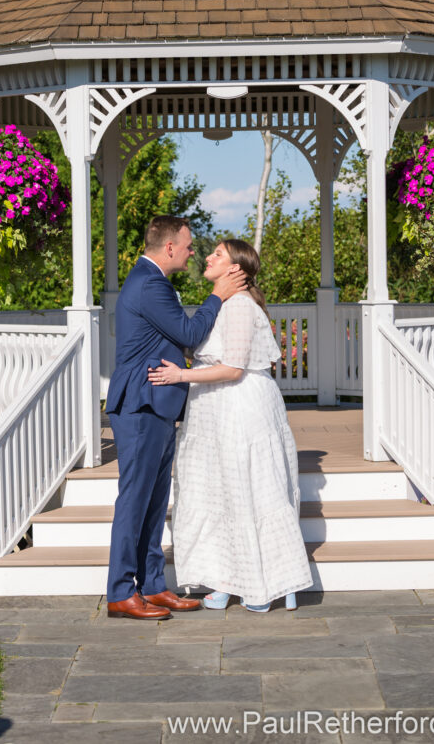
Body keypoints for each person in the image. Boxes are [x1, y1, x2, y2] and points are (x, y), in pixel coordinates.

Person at [149, 239, 313, 612]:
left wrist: (179, 375)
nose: (208, 256)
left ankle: (265, 582)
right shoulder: (224, 304)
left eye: (218, 254)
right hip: (216, 407)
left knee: (247, 491)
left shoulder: (239, 305)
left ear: (236, 268)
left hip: (238, 407)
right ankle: (225, 579)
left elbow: (235, 367)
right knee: (220, 493)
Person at [104, 216, 246, 620]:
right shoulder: (150, 283)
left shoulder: (152, 282)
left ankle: (152, 586)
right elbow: (188, 332)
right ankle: (119, 592)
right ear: (169, 248)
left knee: (153, 503)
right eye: (186, 245)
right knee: (134, 502)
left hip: (158, 405)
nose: (191, 252)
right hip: (140, 405)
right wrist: (218, 294)